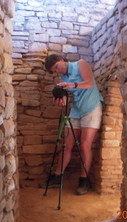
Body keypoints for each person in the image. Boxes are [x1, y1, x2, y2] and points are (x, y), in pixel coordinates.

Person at [39, 54, 103, 195]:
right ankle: (57, 177)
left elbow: (89, 83)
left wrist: (72, 85)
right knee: (66, 144)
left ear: (61, 60)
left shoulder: (80, 63)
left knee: (85, 145)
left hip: (92, 108)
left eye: (56, 67)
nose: (58, 71)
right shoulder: (64, 79)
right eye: (54, 71)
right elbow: (67, 100)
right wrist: (61, 100)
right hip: (76, 110)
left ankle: (84, 181)